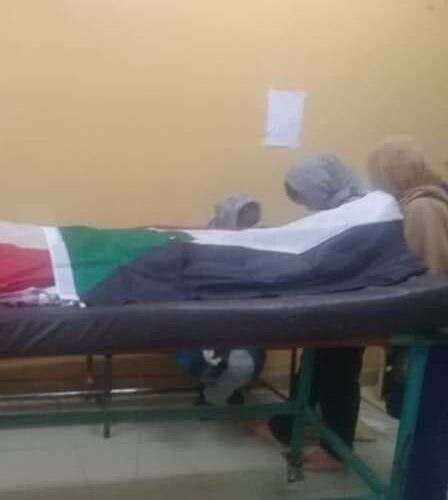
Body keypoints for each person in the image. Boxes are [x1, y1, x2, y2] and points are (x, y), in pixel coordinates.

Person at [251, 154, 367, 471]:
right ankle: (285, 427)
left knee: (339, 375)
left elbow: (337, 261)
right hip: (339, 305)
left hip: (351, 308)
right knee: (316, 366)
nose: (307, 205)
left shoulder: (354, 211)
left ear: (320, 185)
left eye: (306, 197)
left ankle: (337, 451)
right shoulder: (346, 208)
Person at [367, 136, 448, 500]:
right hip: (437, 329)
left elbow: (424, 279)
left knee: (427, 423)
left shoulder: (421, 209)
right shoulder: (427, 201)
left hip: (437, 334)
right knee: (425, 420)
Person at [177, 194, 266, 406]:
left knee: (243, 363)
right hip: (205, 314)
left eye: (252, 222)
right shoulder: (199, 243)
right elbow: (191, 283)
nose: (249, 228)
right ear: (228, 217)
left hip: (246, 316)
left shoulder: (260, 241)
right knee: (206, 355)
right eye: (244, 221)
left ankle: (215, 394)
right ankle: (217, 389)